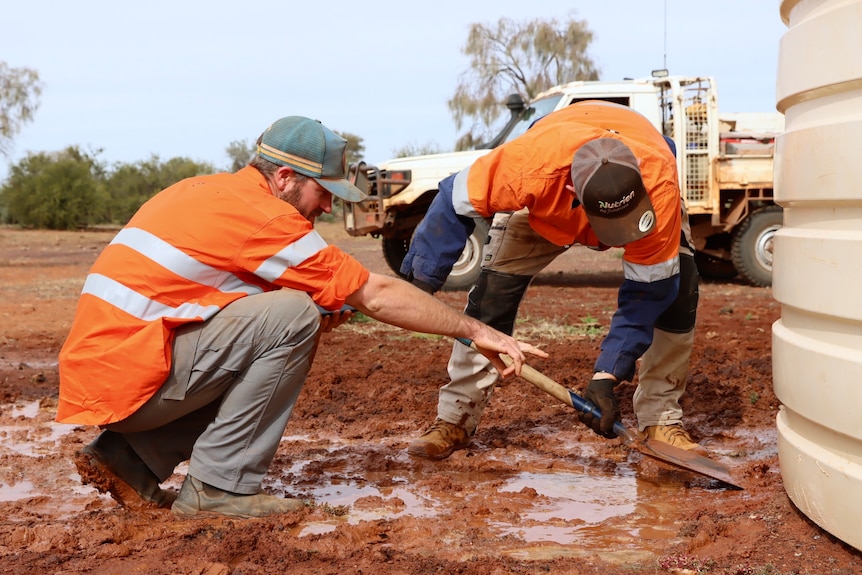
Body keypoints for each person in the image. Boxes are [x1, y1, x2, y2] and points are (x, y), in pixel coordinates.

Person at [58, 115, 547, 519]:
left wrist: (318, 311)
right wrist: (475, 331)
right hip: (129, 382)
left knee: (296, 314)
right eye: (324, 190)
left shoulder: (205, 191)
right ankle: (218, 491)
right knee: (292, 316)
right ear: (285, 178)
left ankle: (129, 459)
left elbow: (229, 301)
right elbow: (373, 293)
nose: (330, 205)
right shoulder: (264, 217)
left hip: (111, 372)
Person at [400, 100, 700, 460]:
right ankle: (454, 419)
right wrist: (420, 284)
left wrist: (606, 375)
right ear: (573, 191)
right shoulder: (527, 166)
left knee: (678, 290)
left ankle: (661, 419)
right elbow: (453, 200)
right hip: (544, 207)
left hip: (645, 205)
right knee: (491, 299)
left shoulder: (657, 185)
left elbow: (649, 292)